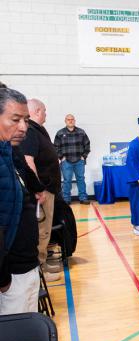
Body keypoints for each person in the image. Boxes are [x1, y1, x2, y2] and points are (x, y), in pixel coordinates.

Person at [0, 87, 43, 341]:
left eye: (26, 120)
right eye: (15, 119)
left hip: (26, 267)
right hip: (9, 277)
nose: (24, 128)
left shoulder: (9, 154)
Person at [15, 99, 63, 282]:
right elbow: (28, 160)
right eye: (44, 111)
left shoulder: (36, 130)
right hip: (42, 191)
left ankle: (41, 264)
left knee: (45, 230)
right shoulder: (31, 132)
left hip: (47, 189)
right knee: (41, 230)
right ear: (36, 111)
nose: (46, 114)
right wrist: (38, 188)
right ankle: (39, 271)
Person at [53, 113, 91, 204]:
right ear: (65, 121)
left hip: (79, 161)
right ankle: (66, 199)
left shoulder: (81, 132)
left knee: (81, 179)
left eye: (72, 119)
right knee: (67, 181)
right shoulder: (60, 133)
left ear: (74, 121)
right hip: (66, 162)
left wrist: (84, 156)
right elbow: (55, 147)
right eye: (68, 119)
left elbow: (87, 145)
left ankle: (83, 198)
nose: (70, 121)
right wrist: (61, 157)